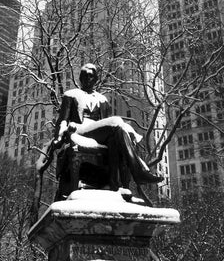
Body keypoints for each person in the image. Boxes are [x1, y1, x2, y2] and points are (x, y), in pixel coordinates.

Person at [54, 63, 163, 192]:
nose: (88, 79)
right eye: (85, 76)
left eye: (91, 76)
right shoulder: (71, 95)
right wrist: (59, 137)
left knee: (117, 136)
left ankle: (114, 186)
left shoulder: (102, 100)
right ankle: (139, 172)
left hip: (99, 134)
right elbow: (62, 121)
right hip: (80, 131)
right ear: (80, 78)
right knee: (117, 123)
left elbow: (106, 122)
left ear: (95, 79)